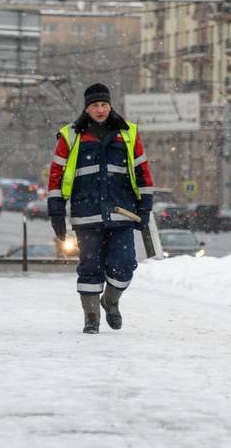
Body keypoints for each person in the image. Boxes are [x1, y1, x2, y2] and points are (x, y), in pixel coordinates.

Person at [47, 83, 154, 334]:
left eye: (104, 104)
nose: (100, 109)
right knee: (90, 266)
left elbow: (143, 174)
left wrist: (145, 209)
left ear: (110, 105)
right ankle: (91, 317)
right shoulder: (71, 136)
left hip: (122, 213)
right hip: (87, 215)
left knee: (125, 263)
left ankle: (111, 301)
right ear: (87, 108)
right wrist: (56, 212)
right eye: (95, 105)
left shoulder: (127, 134)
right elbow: (57, 177)